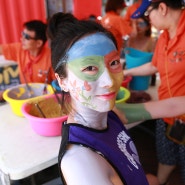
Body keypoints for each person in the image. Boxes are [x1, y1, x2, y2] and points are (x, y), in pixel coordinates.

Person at [47, 12, 185, 185]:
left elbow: (171, 107)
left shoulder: (111, 114)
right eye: (90, 68)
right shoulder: (81, 163)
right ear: (62, 81)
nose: (109, 82)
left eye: (113, 63)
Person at [124, 0, 185, 184]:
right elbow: (154, 66)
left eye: (147, 15)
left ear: (163, 8)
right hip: (165, 112)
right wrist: (126, 71)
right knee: (165, 155)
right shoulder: (164, 36)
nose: (147, 20)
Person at [0, 20, 55, 84]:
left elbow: (57, 83)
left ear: (39, 43)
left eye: (26, 37)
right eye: (22, 34)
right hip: (25, 91)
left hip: (46, 93)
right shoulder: (20, 49)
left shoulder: (52, 57)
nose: (22, 39)